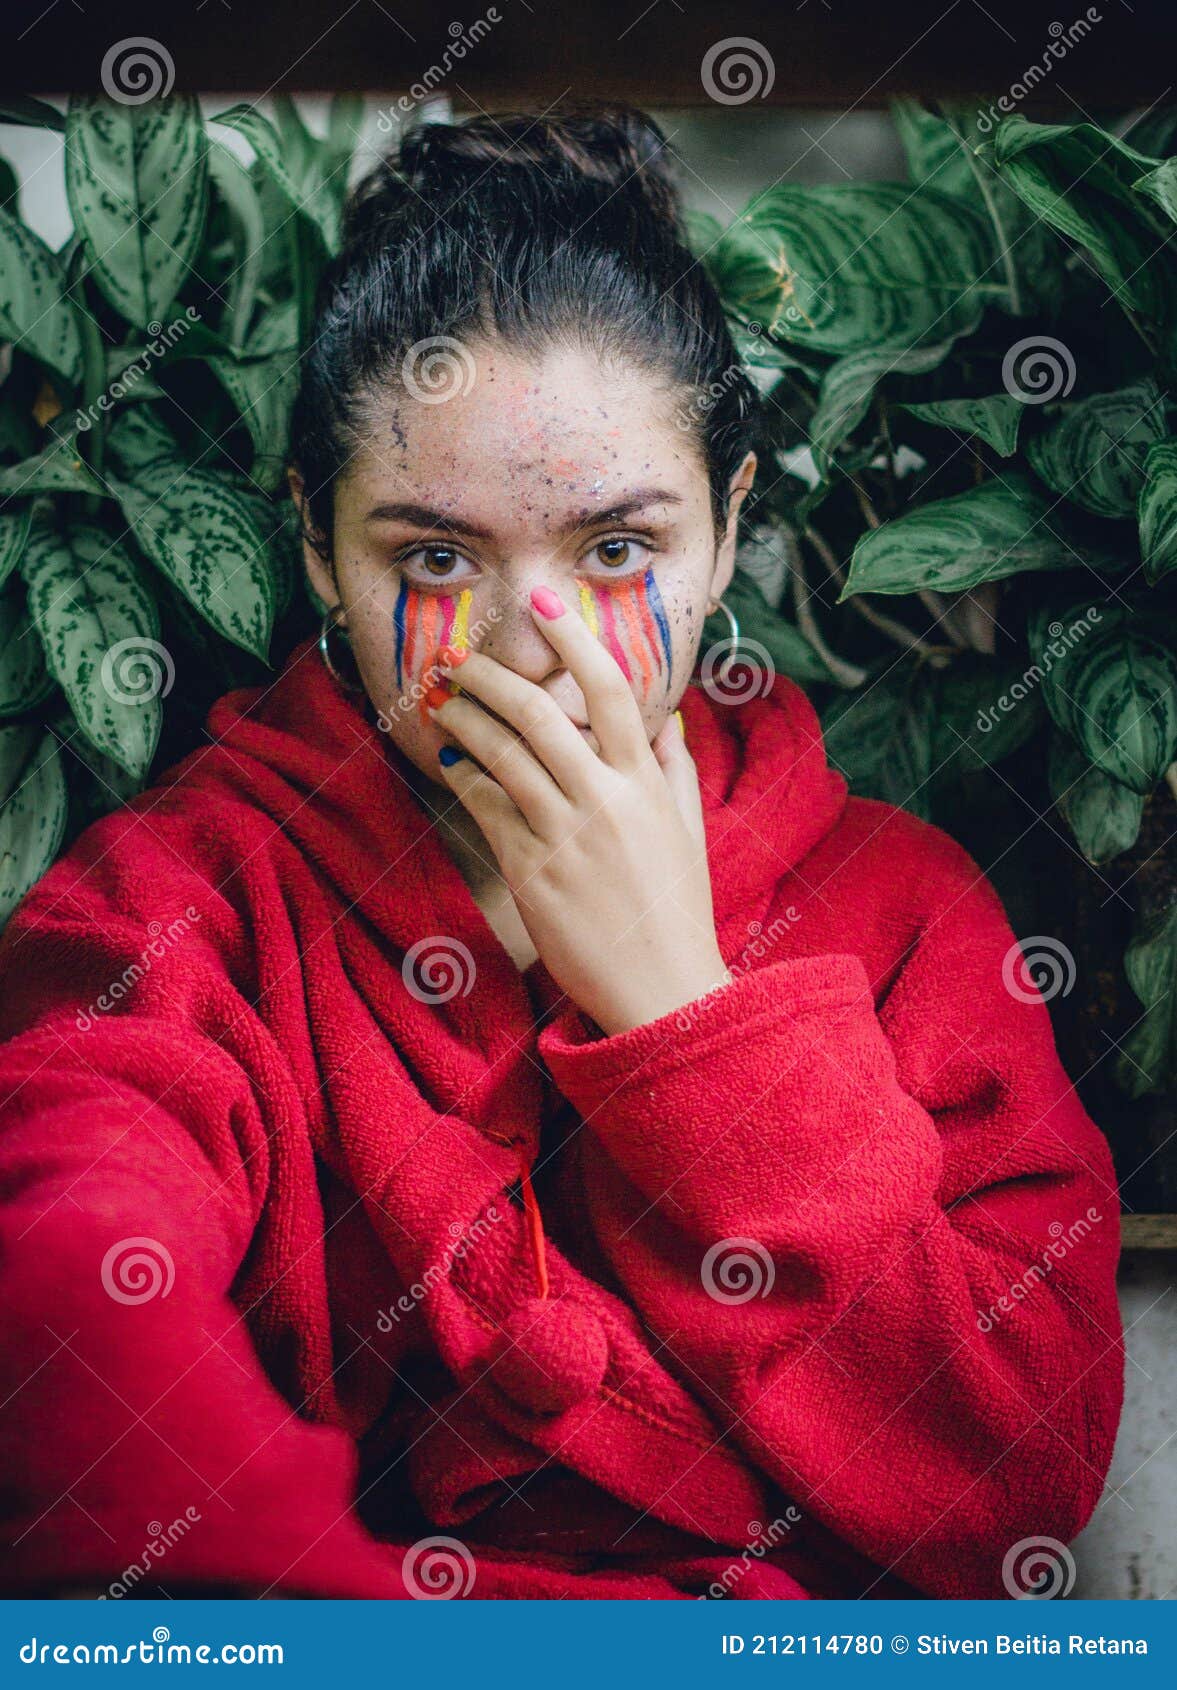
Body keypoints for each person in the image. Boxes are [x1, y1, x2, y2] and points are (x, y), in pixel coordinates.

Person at [0, 105, 1122, 1602]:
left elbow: (1010, 1485)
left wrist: (680, 1012)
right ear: (320, 549)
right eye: (436, 556)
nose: (532, 637)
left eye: (612, 548)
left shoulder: (910, 909)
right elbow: (71, 1265)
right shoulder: (183, 899)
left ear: (726, 531)